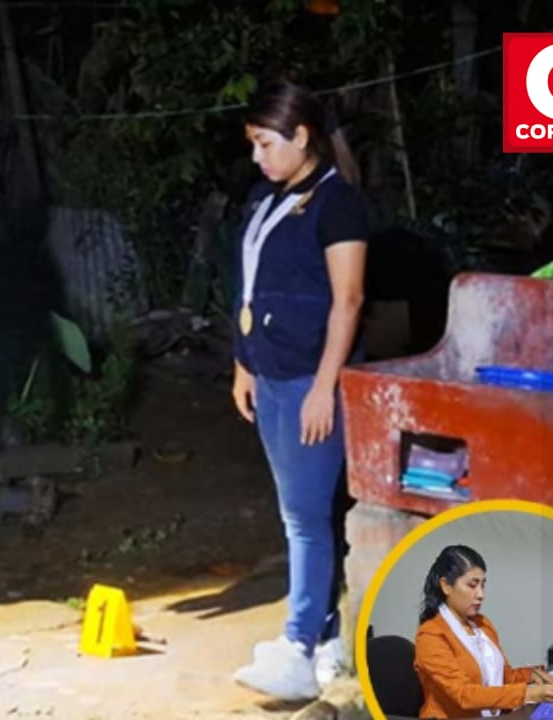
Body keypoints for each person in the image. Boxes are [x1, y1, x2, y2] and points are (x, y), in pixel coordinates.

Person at [229, 81, 368, 700]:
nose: (257, 156)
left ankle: (298, 647)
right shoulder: (267, 199)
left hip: (313, 380)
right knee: (301, 514)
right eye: (254, 144)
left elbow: (348, 301)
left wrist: (324, 387)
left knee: (307, 519)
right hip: (271, 374)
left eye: (265, 143)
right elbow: (249, 285)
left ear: (301, 136)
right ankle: (327, 637)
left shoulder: (339, 204)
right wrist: (244, 362)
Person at [413, 545, 553, 718]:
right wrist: (527, 694)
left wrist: (534, 674)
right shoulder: (431, 635)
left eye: (483, 585)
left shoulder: (482, 624)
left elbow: (504, 677)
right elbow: (463, 695)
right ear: (446, 586)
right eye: (472, 585)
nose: (481, 594)